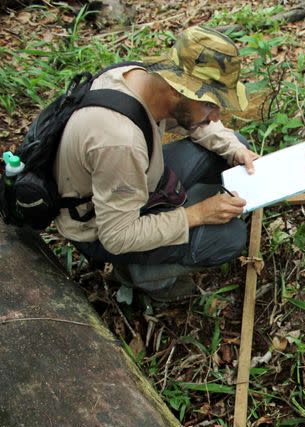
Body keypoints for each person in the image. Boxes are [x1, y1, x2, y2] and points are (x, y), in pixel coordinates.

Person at [55, 26, 259, 301]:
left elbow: (195, 121)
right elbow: (117, 236)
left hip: (129, 182)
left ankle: (183, 213)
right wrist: (197, 215)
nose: (216, 116)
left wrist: (235, 150)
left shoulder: (142, 79)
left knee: (233, 145)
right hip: (99, 229)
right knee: (228, 238)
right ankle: (140, 276)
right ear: (177, 90)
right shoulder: (119, 141)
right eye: (210, 105)